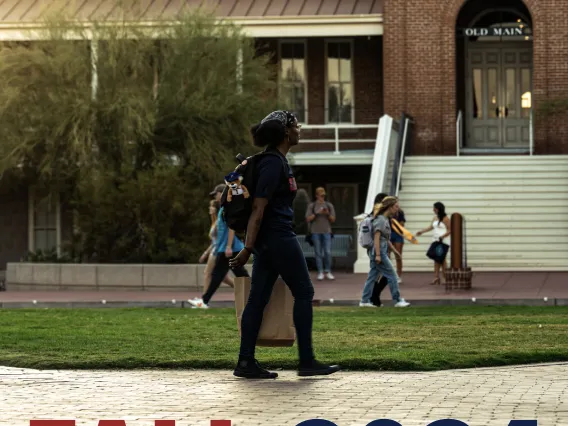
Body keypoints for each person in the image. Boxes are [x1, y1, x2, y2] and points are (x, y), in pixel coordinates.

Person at [229, 110, 340, 379]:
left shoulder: (274, 161)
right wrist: (246, 248)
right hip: (277, 237)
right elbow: (258, 207)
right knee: (303, 292)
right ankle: (307, 361)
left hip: (268, 240)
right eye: (295, 125)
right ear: (284, 132)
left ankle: (245, 362)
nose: (299, 128)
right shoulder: (273, 164)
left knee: (257, 299)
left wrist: (253, 245)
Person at [189, 185, 249, 309]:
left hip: (230, 249)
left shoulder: (227, 208)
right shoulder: (223, 208)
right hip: (226, 248)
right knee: (237, 274)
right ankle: (204, 301)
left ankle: (204, 301)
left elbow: (231, 228)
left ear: (222, 193)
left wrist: (228, 247)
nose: (215, 196)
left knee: (220, 275)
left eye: (216, 194)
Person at [360, 196, 410, 308]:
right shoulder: (381, 220)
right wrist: (378, 255)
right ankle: (397, 300)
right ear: (390, 207)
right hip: (379, 253)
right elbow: (377, 238)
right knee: (392, 275)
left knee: (372, 277)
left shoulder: (385, 220)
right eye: (396, 206)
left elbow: (385, 239)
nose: (398, 209)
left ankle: (364, 301)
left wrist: (395, 251)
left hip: (378, 251)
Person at [199, 199, 234, 293]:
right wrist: (205, 253)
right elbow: (214, 241)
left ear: (216, 209)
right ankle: (245, 290)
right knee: (224, 278)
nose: (210, 208)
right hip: (215, 250)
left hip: (217, 251)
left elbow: (221, 239)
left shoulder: (219, 223)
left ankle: (204, 301)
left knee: (207, 273)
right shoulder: (214, 222)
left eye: (212, 206)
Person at [417, 202, 451, 286]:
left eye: (434, 208)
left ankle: (442, 278)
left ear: (439, 209)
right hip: (435, 240)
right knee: (438, 259)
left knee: (441, 259)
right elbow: (431, 227)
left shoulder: (445, 218)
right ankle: (438, 277)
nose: (433, 210)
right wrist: (421, 231)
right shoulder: (435, 218)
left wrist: (443, 236)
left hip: (443, 241)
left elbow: (450, 229)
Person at [305, 187, 336, 281]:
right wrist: (316, 213)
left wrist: (327, 213)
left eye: (323, 195)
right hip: (315, 232)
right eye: (320, 195)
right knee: (318, 253)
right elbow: (307, 219)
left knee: (327, 252)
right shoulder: (312, 206)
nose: (322, 197)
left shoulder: (329, 205)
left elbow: (333, 219)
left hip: (326, 231)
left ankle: (328, 271)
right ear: (316, 195)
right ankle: (320, 272)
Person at [389, 207, 406, 283]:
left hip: (398, 234)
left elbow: (402, 225)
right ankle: (388, 275)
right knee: (387, 255)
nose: (396, 206)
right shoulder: (387, 212)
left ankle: (398, 276)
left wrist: (395, 222)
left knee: (398, 256)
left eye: (396, 204)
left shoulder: (400, 212)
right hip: (388, 234)